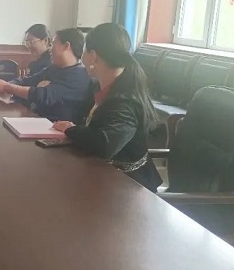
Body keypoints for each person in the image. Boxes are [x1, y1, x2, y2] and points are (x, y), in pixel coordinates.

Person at [52, 23, 162, 192]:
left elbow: (105, 145)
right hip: (102, 174)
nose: (81, 57)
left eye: (84, 51)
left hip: (129, 187)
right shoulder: (101, 86)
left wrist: (71, 130)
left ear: (93, 56)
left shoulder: (125, 101)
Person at [0, 28, 92, 123]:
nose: (50, 49)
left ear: (66, 46)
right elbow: (26, 81)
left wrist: (7, 87)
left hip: (55, 130)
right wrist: (4, 86)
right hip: (38, 121)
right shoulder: (54, 68)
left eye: (53, 44)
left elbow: (42, 95)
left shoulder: (79, 75)